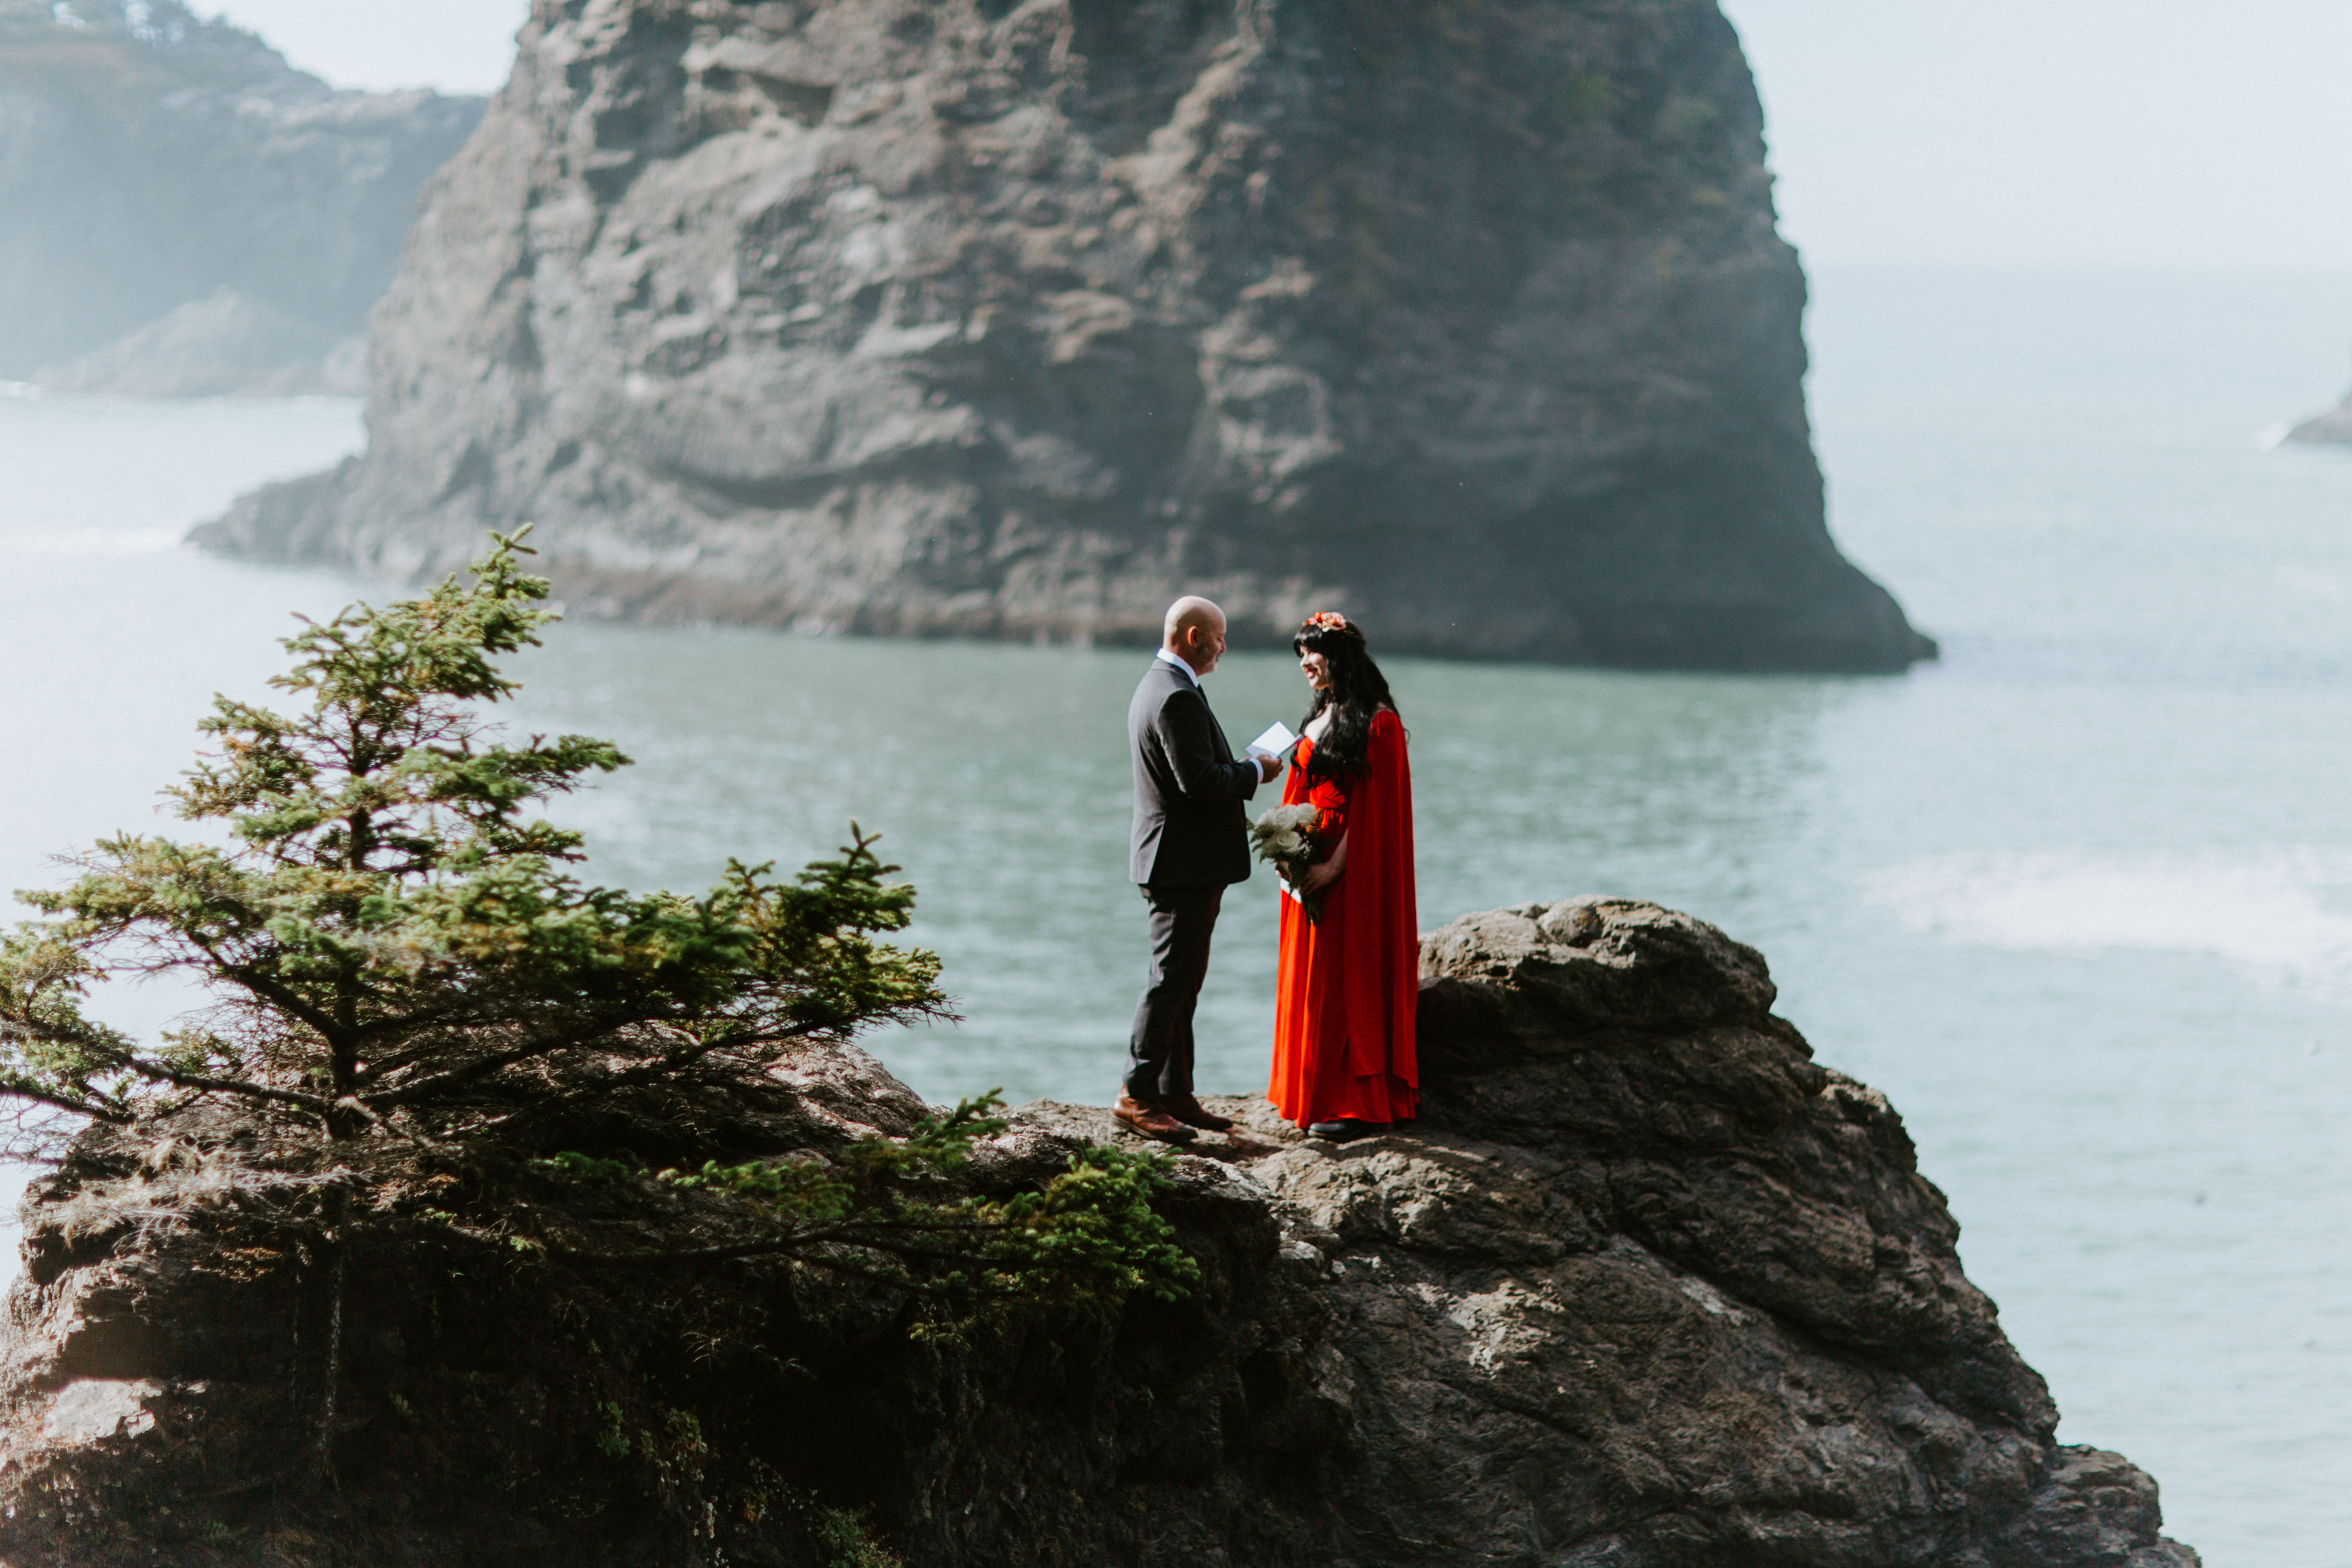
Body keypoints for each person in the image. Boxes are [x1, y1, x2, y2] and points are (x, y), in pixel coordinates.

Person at [1120, 596, 1283, 1143]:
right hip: (1179, 864)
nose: (1223, 647)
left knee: (1184, 980)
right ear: (1194, 637)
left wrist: (1237, 767)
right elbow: (1200, 782)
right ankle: (1136, 1095)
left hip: (1178, 860)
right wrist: (1255, 770)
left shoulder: (1159, 685)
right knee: (1170, 980)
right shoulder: (1175, 697)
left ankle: (1175, 1091)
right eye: (1219, 637)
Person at [1266, 612, 1418, 1140]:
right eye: (1300, 653)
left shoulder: (1379, 722)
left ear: (1343, 656)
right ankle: (1307, 1091)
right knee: (1313, 983)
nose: (1306, 662)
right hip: (1310, 858)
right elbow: (1300, 793)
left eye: (1316, 651)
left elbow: (1375, 813)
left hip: (1352, 868)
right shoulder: (1318, 717)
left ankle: (1354, 1103)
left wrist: (1333, 866)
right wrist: (1284, 848)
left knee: (1344, 979)